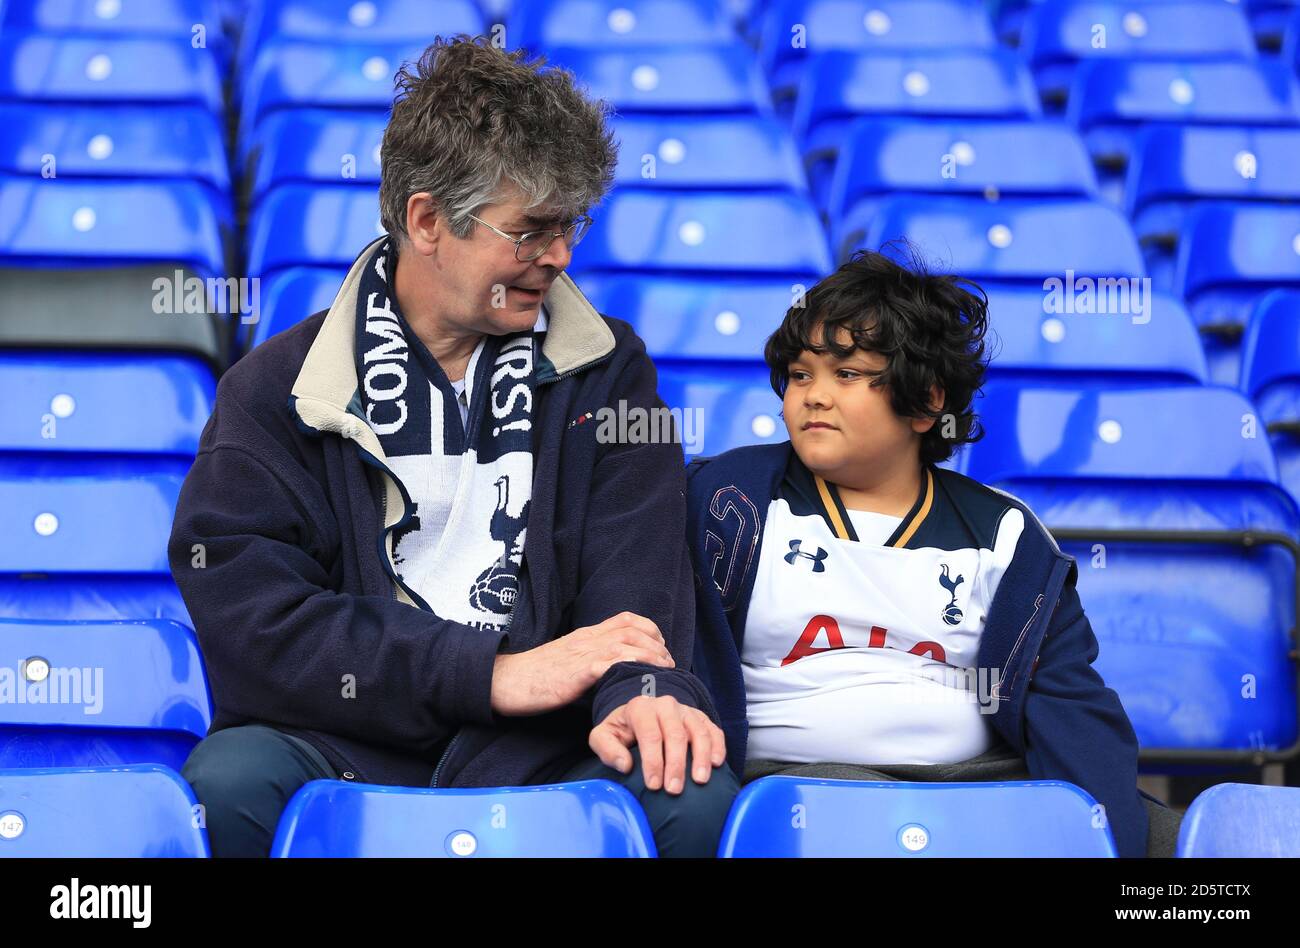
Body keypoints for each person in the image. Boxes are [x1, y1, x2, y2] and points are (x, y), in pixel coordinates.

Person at [170, 35, 737, 858]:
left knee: (683, 784)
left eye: (571, 225)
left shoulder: (608, 371)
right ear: (428, 220)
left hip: (548, 743)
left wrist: (642, 693)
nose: (562, 256)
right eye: (532, 231)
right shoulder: (275, 389)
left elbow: (635, 585)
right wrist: (487, 674)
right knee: (230, 783)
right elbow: (255, 623)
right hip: (349, 736)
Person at [685, 247, 1181, 857]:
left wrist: (1105, 835)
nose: (812, 396)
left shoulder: (1002, 531)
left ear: (926, 403)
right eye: (800, 374)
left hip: (983, 784)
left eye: (846, 375)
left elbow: (1070, 701)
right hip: (803, 789)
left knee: (1192, 849)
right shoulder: (726, 501)